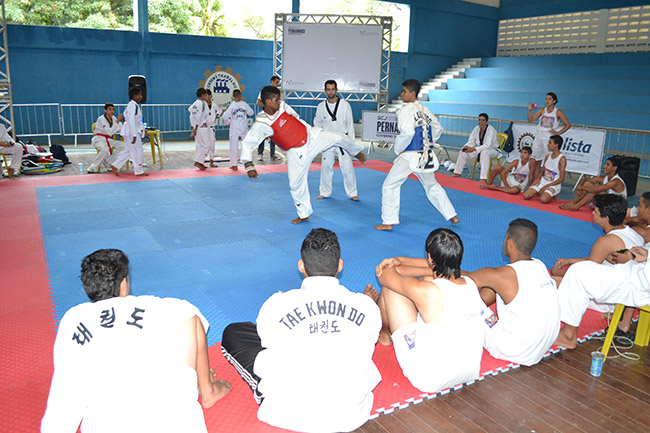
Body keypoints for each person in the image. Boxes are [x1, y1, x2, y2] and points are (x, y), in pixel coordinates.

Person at [41, 249, 231, 433]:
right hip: (176, 426)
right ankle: (208, 391)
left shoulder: (74, 319)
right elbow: (190, 318)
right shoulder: (167, 307)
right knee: (190, 318)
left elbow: (62, 402)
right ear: (124, 284)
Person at [221, 229, 381, 433]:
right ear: (340, 265)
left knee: (234, 331)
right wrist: (365, 303)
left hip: (289, 412)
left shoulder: (277, 303)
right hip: (352, 412)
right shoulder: (365, 306)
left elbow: (265, 340)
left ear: (301, 265)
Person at [366, 228, 485, 393]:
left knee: (392, 288)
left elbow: (385, 275)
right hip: (471, 371)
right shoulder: (470, 282)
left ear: (429, 258)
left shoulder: (429, 291)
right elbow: (441, 272)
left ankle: (384, 335)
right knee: (428, 278)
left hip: (430, 378)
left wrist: (398, 264)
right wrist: (400, 260)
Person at [240, 86, 367, 224]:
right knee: (295, 184)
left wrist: (302, 127)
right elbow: (248, 142)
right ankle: (303, 213)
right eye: (276, 100)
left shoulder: (282, 106)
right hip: (295, 152)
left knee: (338, 137)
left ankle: (356, 152)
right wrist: (249, 166)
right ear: (268, 101)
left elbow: (295, 116)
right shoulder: (262, 124)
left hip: (311, 137)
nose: (279, 102)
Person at [466, 219, 560, 366]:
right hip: (541, 347)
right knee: (493, 286)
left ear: (510, 242)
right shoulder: (539, 265)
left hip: (514, 350)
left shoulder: (505, 275)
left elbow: (460, 279)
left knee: (464, 297)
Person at [374, 79, 459, 231]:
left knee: (390, 185)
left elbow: (407, 132)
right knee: (432, 185)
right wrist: (428, 142)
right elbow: (438, 128)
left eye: (404, 91)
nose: (401, 94)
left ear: (412, 93)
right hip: (425, 155)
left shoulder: (405, 110)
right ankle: (452, 215)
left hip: (409, 155)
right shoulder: (424, 109)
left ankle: (388, 221)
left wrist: (398, 148)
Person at [554, 245, 650, 349]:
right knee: (584, 269)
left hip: (639, 286)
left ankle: (568, 335)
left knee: (579, 272)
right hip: (636, 274)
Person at [551, 194, 644, 281]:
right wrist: (569, 261)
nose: (592, 213)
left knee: (556, 282)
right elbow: (596, 257)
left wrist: (556, 272)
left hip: (619, 285)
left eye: (595, 211)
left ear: (606, 218)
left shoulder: (607, 241)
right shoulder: (634, 233)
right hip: (636, 279)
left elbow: (587, 271)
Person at [314, 80, 359, 201]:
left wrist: (351, 144)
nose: (330, 91)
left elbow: (350, 125)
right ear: (325, 91)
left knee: (347, 167)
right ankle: (325, 191)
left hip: (343, 139)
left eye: (333, 89)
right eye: (328, 89)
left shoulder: (345, 105)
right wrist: (320, 139)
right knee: (326, 167)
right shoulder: (321, 107)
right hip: (328, 140)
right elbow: (317, 124)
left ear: (336, 90)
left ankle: (352, 192)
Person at [527, 92, 571, 181]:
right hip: (539, 137)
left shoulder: (557, 112)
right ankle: (536, 182)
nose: (547, 101)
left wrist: (558, 133)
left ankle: (546, 181)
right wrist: (530, 110)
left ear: (554, 101)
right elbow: (531, 119)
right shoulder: (542, 110)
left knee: (548, 162)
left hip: (548, 139)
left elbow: (568, 125)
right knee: (536, 162)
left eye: (549, 99)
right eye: (546, 98)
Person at [559, 156, 626, 211]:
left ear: (615, 168)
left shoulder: (616, 181)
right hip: (608, 201)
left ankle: (576, 207)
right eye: (605, 164)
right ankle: (573, 203)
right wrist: (579, 186)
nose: (604, 166)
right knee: (587, 183)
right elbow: (585, 179)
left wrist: (581, 188)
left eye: (607, 165)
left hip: (616, 207)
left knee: (596, 189)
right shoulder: (604, 178)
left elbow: (596, 189)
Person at [451, 113, 500, 182]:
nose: (481, 122)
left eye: (483, 120)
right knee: (463, 152)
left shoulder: (491, 130)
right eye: (479, 120)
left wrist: (474, 149)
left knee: (484, 152)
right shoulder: (476, 129)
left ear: (486, 122)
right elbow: (471, 141)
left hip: (492, 150)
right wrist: (467, 147)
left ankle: (483, 178)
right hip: (479, 149)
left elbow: (487, 145)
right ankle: (457, 173)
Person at [111, 88, 148, 176]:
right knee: (137, 150)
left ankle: (115, 165)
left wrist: (142, 130)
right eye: (140, 95)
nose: (141, 97)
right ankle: (139, 171)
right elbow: (131, 120)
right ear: (135, 96)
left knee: (128, 150)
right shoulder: (132, 106)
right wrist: (134, 135)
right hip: (131, 132)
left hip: (130, 131)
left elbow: (134, 120)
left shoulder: (132, 105)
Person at [523, 135, 566, 203]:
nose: (547, 144)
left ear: (556, 145)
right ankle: (540, 192)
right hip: (543, 182)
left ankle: (553, 194)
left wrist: (546, 186)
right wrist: (538, 179)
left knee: (544, 200)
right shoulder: (547, 156)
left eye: (550, 143)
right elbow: (542, 171)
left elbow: (561, 179)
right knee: (526, 196)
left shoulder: (562, 159)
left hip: (553, 184)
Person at [222, 89, 254, 170]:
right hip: (243, 127)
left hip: (234, 128)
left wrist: (228, 122)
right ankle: (249, 163)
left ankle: (234, 164)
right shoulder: (244, 104)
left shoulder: (232, 106)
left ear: (233, 97)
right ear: (241, 95)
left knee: (233, 146)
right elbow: (251, 113)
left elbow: (225, 117)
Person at [87, 103, 124, 173]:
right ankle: (92, 167)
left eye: (113, 109)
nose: (112, 111)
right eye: (110, 109)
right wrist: (117, 121)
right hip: (99, 139)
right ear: (105, 110)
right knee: (105, 150)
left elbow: (121, 129)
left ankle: (109, 161)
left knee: (124, 146)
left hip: (108, 140)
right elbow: (109, 132)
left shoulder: (114, 118)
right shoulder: (101, 119)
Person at [255, 76, 282, 162]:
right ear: (272, 81)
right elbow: (258, 102)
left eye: (278, 82)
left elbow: (281, 103)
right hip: (265, 116)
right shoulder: (264, 91)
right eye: (276, 82)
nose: (278, 84)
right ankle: (260, 153)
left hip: (274, 116)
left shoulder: (279, 92)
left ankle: (272, 153)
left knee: (273, 135)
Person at [189, 87, 212, 170]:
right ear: (203, 95)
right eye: (206, 95)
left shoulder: (195, 103)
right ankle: (199, 161)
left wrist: (194, 127)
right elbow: (198, 117)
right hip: (201, 126)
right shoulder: (202, 103)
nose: (207, 97)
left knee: (199, 145)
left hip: (198, 127)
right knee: (207, 145)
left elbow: (191, 114)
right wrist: (195, 128)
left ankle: (198, 161)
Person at [205, 89, 221, 168]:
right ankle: (200, 160)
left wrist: (216, 116)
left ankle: (211, 161)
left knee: (212, 144)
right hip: (204, 127)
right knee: (204, 144)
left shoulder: (214, 105)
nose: (206, 97)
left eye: (207, 95)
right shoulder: (202, 105)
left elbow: (220, 111)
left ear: (210, 96)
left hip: (212, 126)